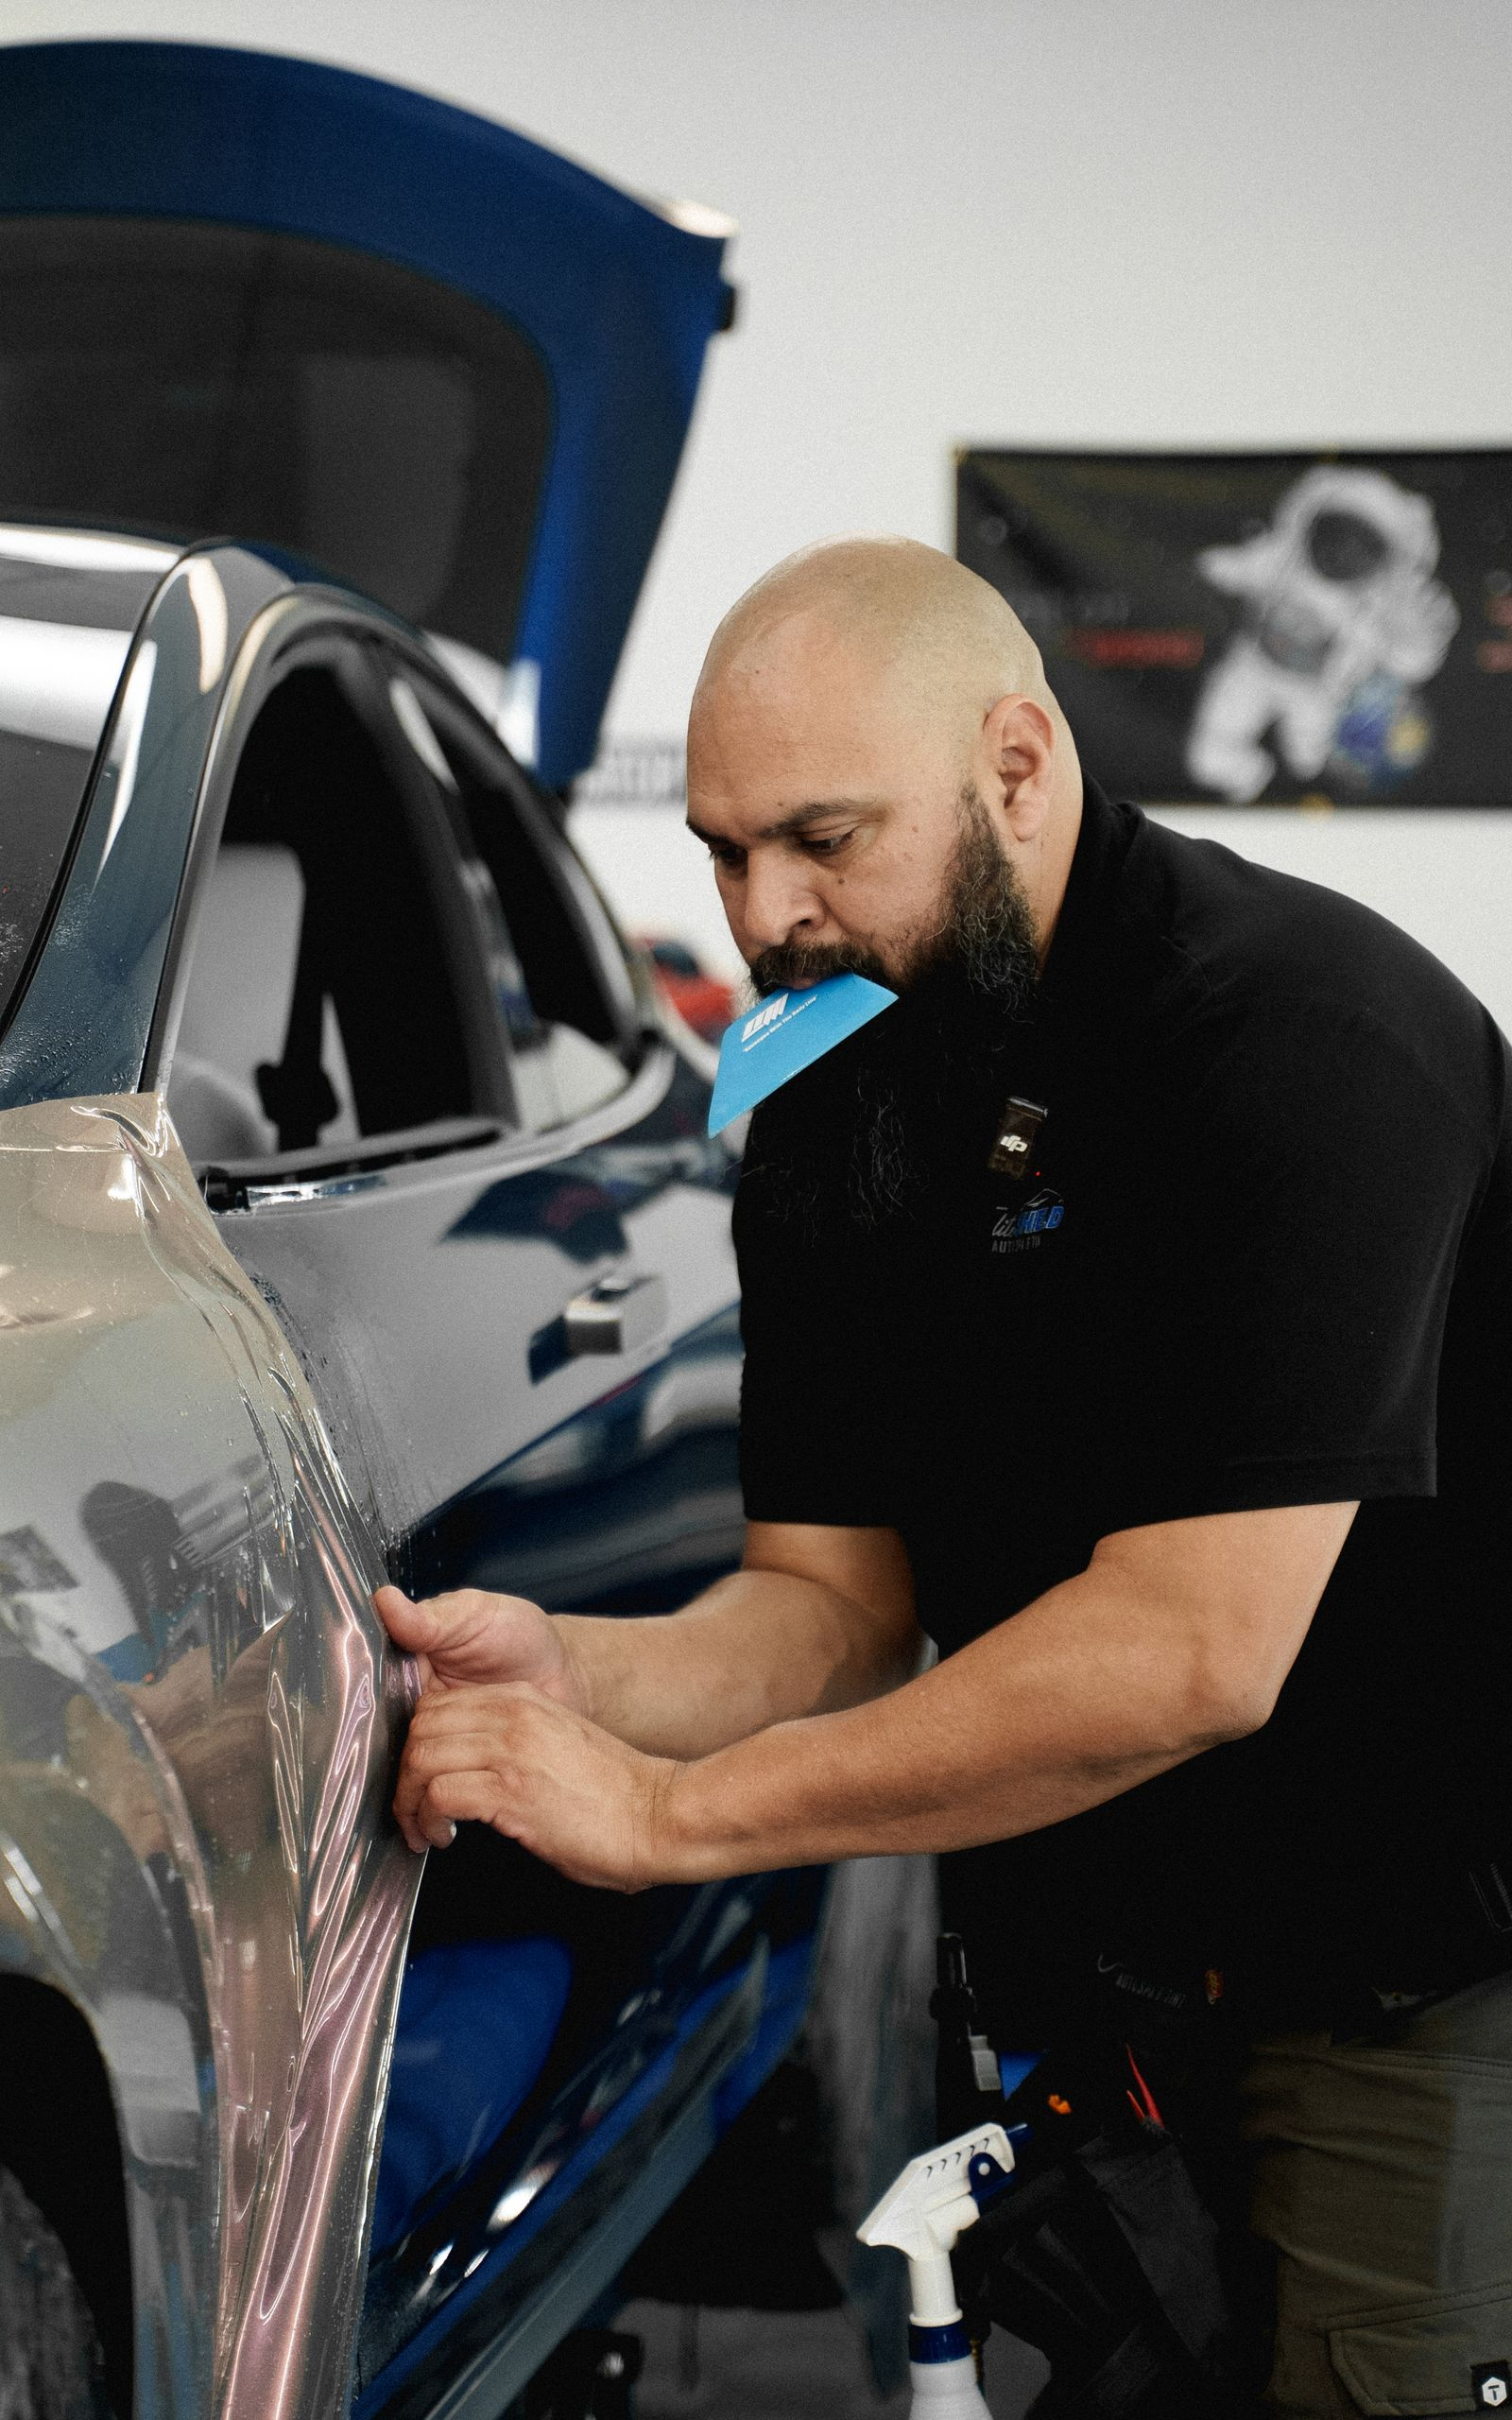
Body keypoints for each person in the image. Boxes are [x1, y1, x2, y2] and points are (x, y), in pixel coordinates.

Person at [376, 536, 1512, 2420]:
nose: (764, 913)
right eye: (725, 849)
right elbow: (829, 1605)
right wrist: (571, 1671)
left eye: (820, 838)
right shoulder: (838, 1098)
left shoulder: (1306, 1040)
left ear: (1015, 761)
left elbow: (1185, 1654)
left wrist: (674, 1814)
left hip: (1400, 1982)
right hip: (1102, 1985)